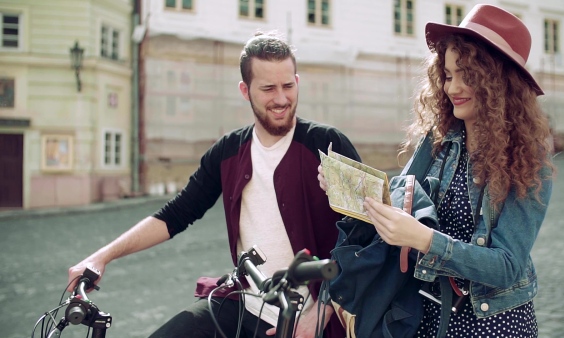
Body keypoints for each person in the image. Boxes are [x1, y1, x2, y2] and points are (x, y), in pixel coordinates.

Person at [68, 31, 358, 338]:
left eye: (288, 85)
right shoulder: (228, 152)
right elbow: (177, 213)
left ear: (297, 81)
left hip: (314, 319)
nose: (282, 98)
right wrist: (101, 256)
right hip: (243, 303)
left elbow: (366, 236)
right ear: (245, 90)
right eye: (268, 88)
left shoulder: (327, 145)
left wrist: (321, 313)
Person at [319, 4, 554, 337]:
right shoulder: (440, 139)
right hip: (430, 316)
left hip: (494, 323)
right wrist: (347, 187)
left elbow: (507, 266)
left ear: (498, 81)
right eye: (447, 75)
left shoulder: (529, 159)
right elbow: (398, 198)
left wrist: (424, 239)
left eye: (466, 75)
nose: (451, 87)